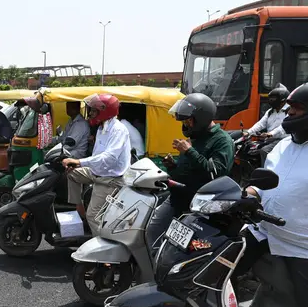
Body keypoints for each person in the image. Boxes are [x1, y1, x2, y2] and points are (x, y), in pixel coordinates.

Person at [232, 82, 308, 307]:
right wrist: (249, 194)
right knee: (223, 266)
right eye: (289, 107)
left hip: (301, 244)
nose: (289, 112)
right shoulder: (282, 146)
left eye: (297, 107)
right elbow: (263, 183)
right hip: (263, 229)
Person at [145, 93, 234, 249]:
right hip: (178, 197)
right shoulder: (195, 137)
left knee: (187, 247)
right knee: (153, 233)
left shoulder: (222, 140)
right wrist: (172, 166)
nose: (186, 125)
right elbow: (187, 172)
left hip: (200, 205)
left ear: (201, 118)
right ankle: (156, 270)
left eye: (188, 120)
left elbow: (216, 174)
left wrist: (189, 152)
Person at [61, 93, 131, 236]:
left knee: (93, 216)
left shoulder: (118, 129)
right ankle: (79, 208)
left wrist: (79, 161)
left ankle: (102, 250)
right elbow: (97, 156)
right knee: (70, 172)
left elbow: (109, 158)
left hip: (110, 179)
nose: (91, 114)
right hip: (97, 172)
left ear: (104, 110)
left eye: (93, 110)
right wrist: (77, 165)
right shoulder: (101, 128)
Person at [244, 86, 290, 165]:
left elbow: (282, 127)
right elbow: (260, 124)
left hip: (282, 140)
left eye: (274, 99)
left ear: (282, 100)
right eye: (270, 99)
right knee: (249, 147)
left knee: (264, 150)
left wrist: (270, 134)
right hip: (269, 139)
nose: (271, 101)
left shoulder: (289, 111)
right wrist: (248, 132)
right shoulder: (270, 111)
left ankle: (266, 172)